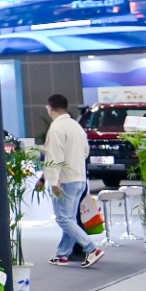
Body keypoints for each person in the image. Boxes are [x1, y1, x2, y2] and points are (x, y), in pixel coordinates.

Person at [42, 93, 101, 268]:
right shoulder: (77, 126)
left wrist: (53, 182)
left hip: (65, 179)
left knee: (63, 218)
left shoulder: (56, 128)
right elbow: (85, 152)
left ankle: (92, 249)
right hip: (80, 178)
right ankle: (62, 255)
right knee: (69, 218)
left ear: (50, 108)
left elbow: (54, 157)